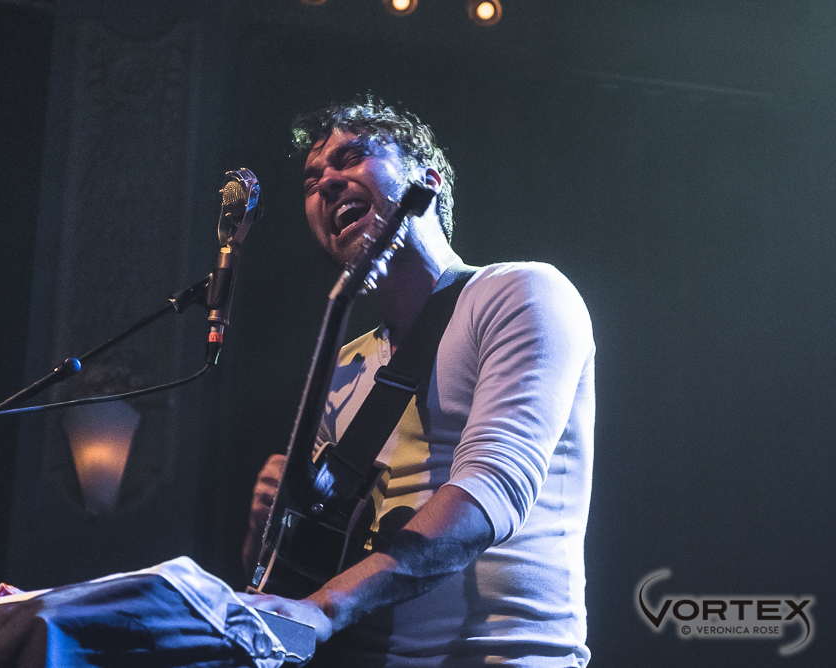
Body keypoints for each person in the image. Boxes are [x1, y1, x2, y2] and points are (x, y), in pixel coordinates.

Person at [239, 98, 595, 668]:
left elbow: (492, 494)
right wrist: (272, 526)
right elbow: (296, 572)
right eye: (311, 180)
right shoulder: (346, 363)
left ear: (426, 182)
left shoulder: (521, 294)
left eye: (351, 157)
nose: (327, 182)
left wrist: (327, 608)